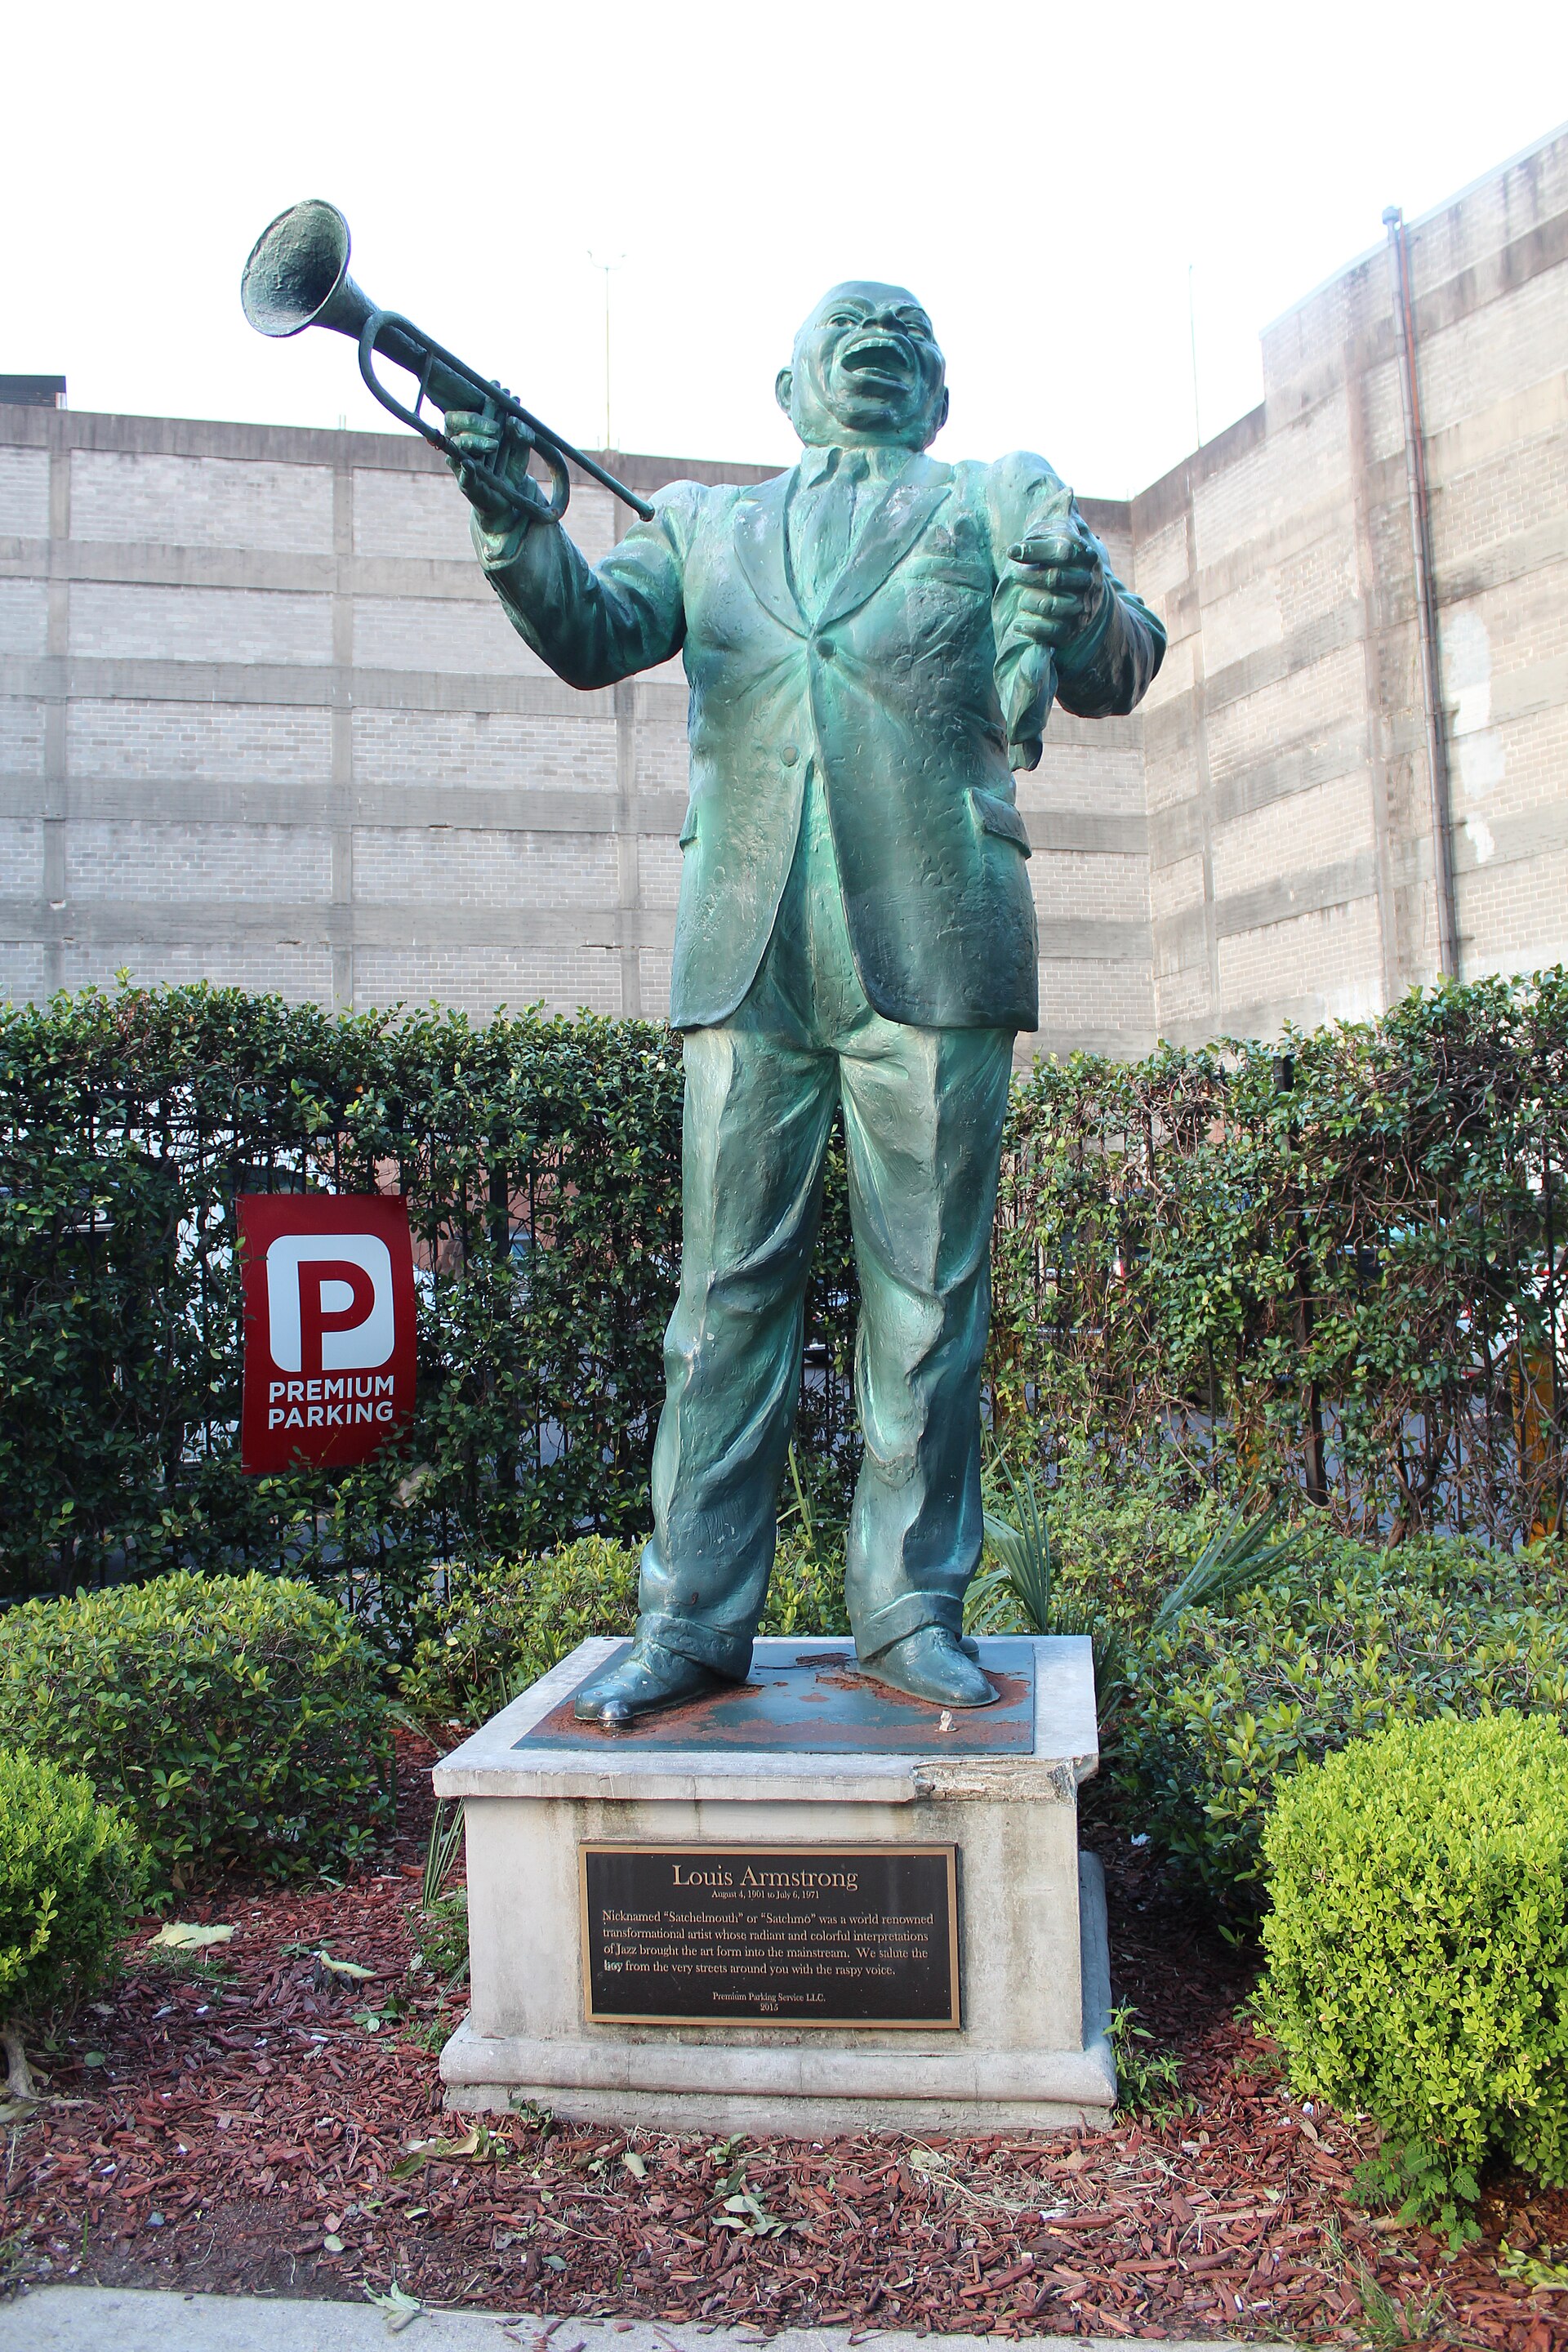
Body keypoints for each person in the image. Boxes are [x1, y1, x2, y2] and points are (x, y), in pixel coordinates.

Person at [445, 282, 1165, 1725]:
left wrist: (1083, 602)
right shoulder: (701, 523)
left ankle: (908, 1611)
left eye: (907, 333)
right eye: (847, 328)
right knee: (722, 1296)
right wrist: (515, 520)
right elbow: (592, 633)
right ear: (788, 389)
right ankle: (690, 1621)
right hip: (749, 942)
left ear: (939, 396)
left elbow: (1122, 660)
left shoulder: (990, 498)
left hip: (939, 944)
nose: (877, 339)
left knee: (930, 1297)